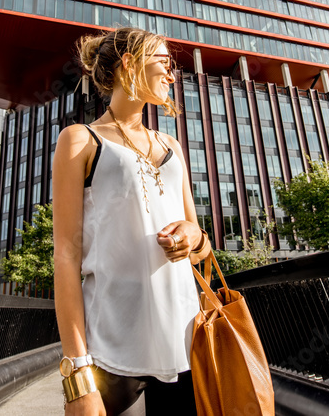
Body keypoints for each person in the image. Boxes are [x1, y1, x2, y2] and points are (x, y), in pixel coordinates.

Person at [52, 27, 212, 416]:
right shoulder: (81, 140)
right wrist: (77, 373)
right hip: (111, 352)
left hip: (184, 343)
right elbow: (65, 258)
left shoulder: (171, 145)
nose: (172, 75)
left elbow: (202, 246)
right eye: (164, 63)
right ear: (129, 64)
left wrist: (193, 235)